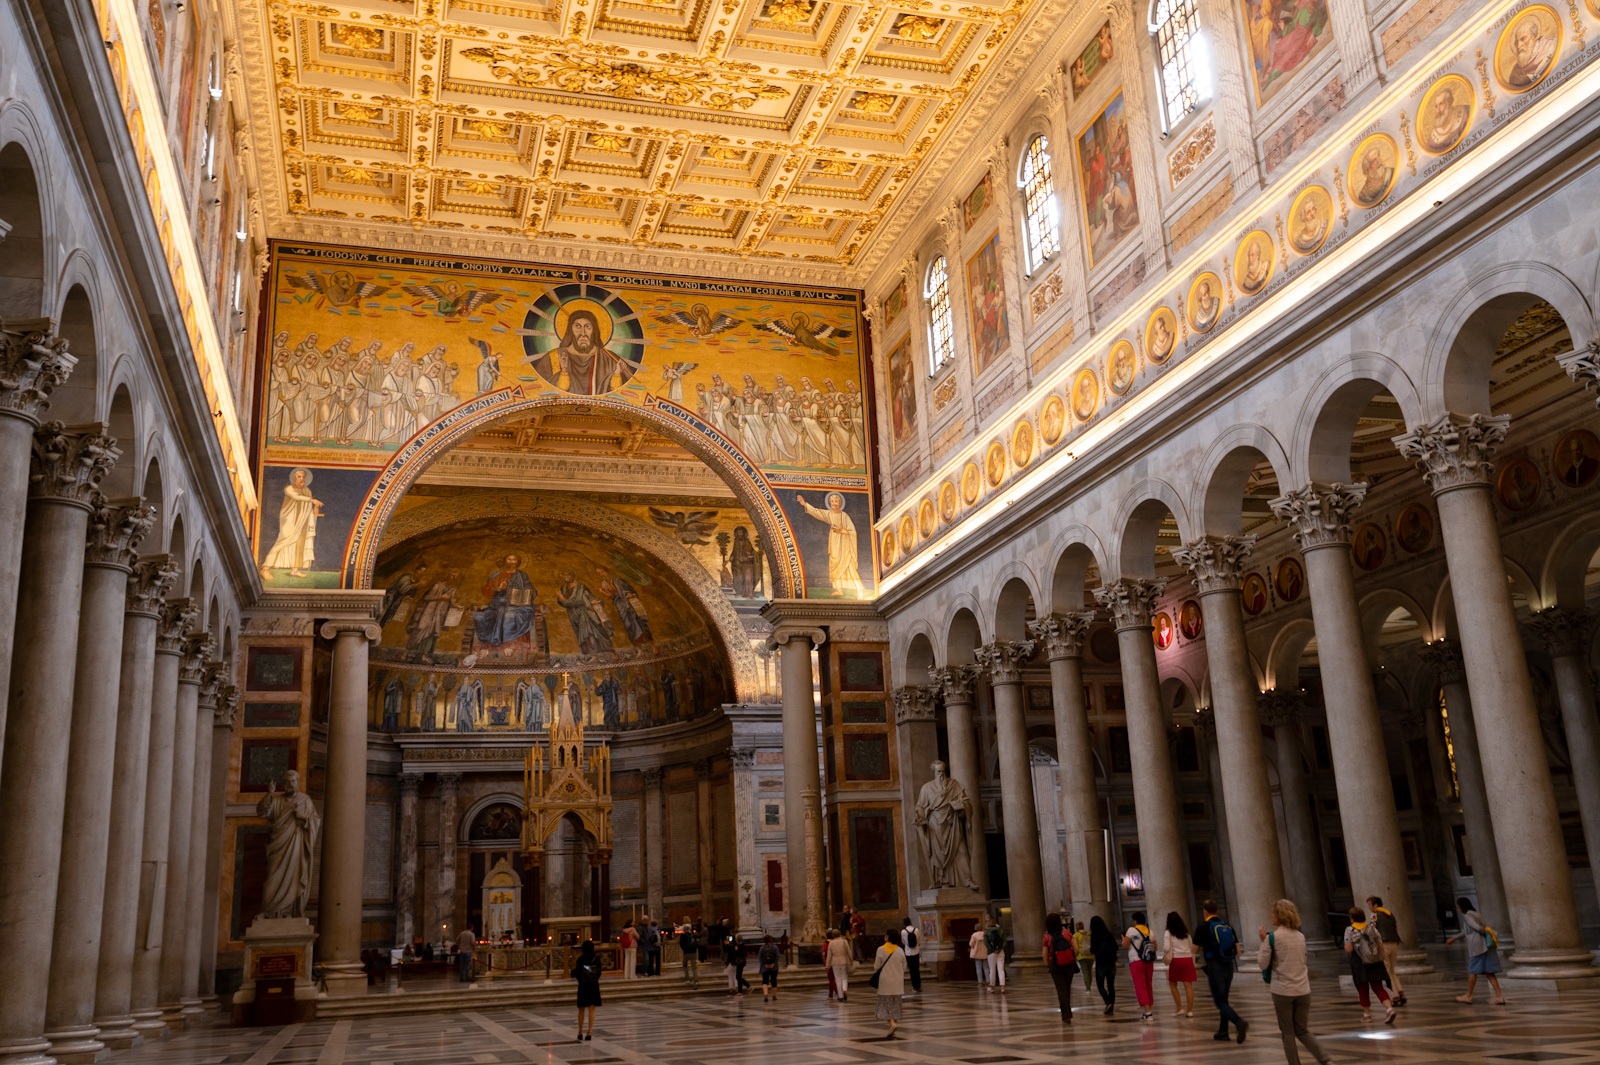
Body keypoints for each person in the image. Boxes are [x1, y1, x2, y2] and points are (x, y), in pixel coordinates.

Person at [1259, 898, 1332, 1065]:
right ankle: (1326, 1060)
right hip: (1303, 989)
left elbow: (1262, 963)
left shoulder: (1273, 937)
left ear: (1279, 915)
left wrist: (1263, 941)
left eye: (1273, 914)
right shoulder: (1300, 936)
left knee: (1287, 1032)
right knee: (1303, 1030)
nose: (1271, 916)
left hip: (1283, 990)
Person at [1194, 899, 1248, 1043]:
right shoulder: (1228, 926)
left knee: (1219, 1001)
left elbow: (1194, 949)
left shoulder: (1203, 927)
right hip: (1229, 965)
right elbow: (1238, 950)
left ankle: (1239, 1022)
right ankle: (1223, 1031)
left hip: (1214, 966)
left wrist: (1205, 947)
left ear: (1205, 912)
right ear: (1216, 911)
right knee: (1224, 999)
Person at [1445, 897, 1505, 1005]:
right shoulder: (1476, 914)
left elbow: (1477, 928)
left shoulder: (1468, 916)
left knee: (1472, 971)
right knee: (1489, 972)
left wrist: (1483, 933)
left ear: (1462, 906)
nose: (1458, 908)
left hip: (1478, 947)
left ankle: (1468, 996)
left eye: (1458, 906)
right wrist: (1454, 938)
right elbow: (1467, 931)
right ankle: (1499, 996)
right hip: (1486, 945)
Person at [1343, 906, 1396, 1023]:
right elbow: (1380, 944)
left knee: (1362, 988)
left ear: (1352, 918)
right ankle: (1389, 1008)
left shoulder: (1350, 930)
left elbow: (1348, 949)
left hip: (1360, 962)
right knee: (1378, 987)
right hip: (1375, 961)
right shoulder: (1371, 927)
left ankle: (1367, 1015)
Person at [1364, 896, 1405, 1005]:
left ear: (1376, 905)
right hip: (1394, 943)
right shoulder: (1389, 913)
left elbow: (1372, 931)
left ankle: (1395, 996)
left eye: (1369, 905)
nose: (1368, 907)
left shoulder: (1375, 915)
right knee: (1392, 970)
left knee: (1387, 972)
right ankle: (1401, 992)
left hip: (1384, 944)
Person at [871, 928, 908, 1037]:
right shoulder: (900, 950)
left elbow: (876, 966)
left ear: (887, 937)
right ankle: (893, 1026)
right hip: (898, 981)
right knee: (896, 1005)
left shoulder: (881, 949)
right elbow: (904, 967)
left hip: (885, 981)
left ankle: (892, 1023)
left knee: (885, 1004)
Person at [1042, 913, 1077, 1023]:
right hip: (1068, 963)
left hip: (1055, 964)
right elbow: (1076, 948)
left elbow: (1044, 954)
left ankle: (1066, 1015)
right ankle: (1067, 1012)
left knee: (1061, 990)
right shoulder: (1066, 933)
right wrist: (1073, 957)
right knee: (1067, 988)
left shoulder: (1047, 936)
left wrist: (1048, 964)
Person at [1123, 911, 1157, 1022]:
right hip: (1148, 961)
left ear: (1135, 921)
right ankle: (1148, 1011)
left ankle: (1148, 1013)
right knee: (1148, 985)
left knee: (1140, 986)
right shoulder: (1150, 931)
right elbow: (1155, 947)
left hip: (1136, 961)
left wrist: (1123, 938)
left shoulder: (1131, 930)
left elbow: (1125, 945)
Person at [1164, 911, 1197, 1017]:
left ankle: (1179, 1008)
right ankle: (1190, 1010)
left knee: (1173, 984)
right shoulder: (1186, 933)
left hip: (1176, 960)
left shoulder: (1168, 933)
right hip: (1187, 960)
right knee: (1188, 986)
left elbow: (1166, 948)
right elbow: (1191, 947)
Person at [572, 940, 603, 1042]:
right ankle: (589, 1032)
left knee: (581, 1009)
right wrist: (594, 979)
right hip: (593, 985)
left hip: (583, 985)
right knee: (591, 1009)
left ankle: (580, 1031)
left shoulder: (581, 959)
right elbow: (599, 972)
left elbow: (577, 972)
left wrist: (581, 981)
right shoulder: (596, 958)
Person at [1090, 915, 1119, 1014]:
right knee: (1111, 985)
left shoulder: (1094, 935)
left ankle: (1108, 1002)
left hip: (1101, 963)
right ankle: (1111, 1005)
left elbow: (1092, 950)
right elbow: (1116, 947)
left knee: (1100, 985)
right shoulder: (1109, 934)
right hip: (1111, 962)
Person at [826, 928, 851, 1001]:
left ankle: (840, 996)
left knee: (838, 979)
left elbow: (829, 956)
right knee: (844, 977)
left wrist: (827, 966)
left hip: (835, 963)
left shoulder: (831, 943)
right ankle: (844, 989)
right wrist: (851, 960)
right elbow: (849, 952)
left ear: (833, 935)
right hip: (844, 961)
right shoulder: (844, 941)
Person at [983, 917, 1006, 992]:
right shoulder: (1001, 931)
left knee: (992, 970)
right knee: (1001, 969)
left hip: (991, 953)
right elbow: (1004, 942)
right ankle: (1002, 987)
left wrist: (993, 950)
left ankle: (992, 987)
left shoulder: (986, 932)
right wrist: (999, 949)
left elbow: (986, 943)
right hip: (1000, 952)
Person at [900, 917, 922, 993]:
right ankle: (918, 986)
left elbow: (903, 942)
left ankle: (914, 986)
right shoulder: (916, 930)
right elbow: (919, 940)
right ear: (910, 922)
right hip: (916, 951)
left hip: (908, 953)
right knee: (917, 969)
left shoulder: (903, 931)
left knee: (912, 970)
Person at [1073, 920, 1094, 994]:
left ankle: (1088, 988)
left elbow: (1076, 948)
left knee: (1085, 972)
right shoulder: (1089, 934)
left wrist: (1075, 955)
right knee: (1089, 971)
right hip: (1091, 955)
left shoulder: (1076, 935)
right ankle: (1089, 985)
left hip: (1081, 955)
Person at [758, 934, 782, 1000]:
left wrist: (764, 964)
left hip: (765, 968)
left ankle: (765, 994)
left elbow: (759, 957)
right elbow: (778, 956)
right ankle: (774, 995)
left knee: (765, 981)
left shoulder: (762, 947)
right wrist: (774, 963)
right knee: (773, 981)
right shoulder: (775, 947)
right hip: (774, 967)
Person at [968, 923, 989, 990]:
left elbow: (971, 944)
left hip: (977, 953)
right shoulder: (985, 934)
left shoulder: (974, 935)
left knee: (978, 968)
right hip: (985, 953)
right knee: (986, 968)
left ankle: (980, 982)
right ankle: (988, 981)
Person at [679, 923, 700, 988]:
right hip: (693, 953)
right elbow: (696, 943)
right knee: (694, 967)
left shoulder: (683, 935)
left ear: (684, 929)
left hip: (686, 953)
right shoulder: (693, 935)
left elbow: (681, 944)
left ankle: (687, 979)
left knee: (685, 965)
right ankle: (696, 981)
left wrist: (684, 949)